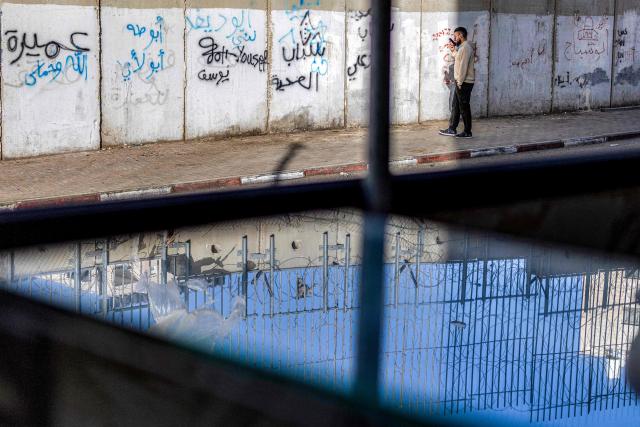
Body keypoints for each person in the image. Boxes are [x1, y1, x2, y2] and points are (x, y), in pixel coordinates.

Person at [439, 27, 475, 139]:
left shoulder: (465, 48)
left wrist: (459, 82)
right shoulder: (462, 48)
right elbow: (459, 59)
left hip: (464, 82)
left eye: (455, 36)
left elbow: (463, 66)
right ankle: (452, 128)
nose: (455, 38)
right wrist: (453, 50)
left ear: (460, 35)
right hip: (461, 82)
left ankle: (467, 131)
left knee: (464, 107)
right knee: (456, 106)